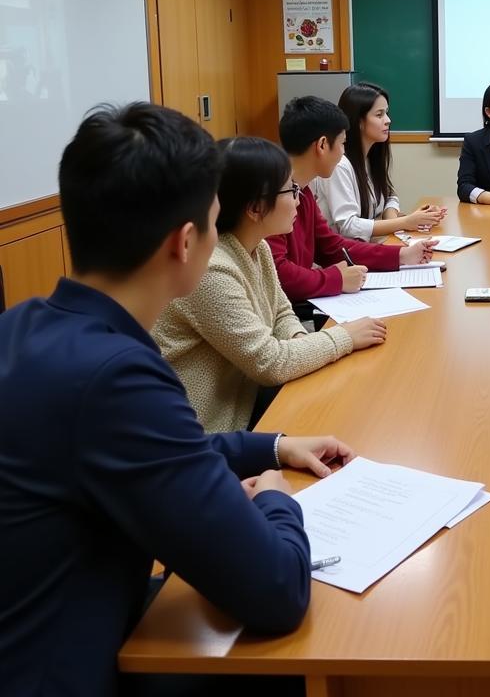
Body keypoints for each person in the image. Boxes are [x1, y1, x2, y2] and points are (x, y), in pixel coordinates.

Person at [0, 102, 355, 697]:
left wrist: (271, 447)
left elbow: (158, 449)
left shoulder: (26, 327)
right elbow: (276, 590)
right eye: (215, 225)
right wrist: (274, 500)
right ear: (185, 242)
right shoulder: (118, 377)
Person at [154, 137, 387, 433]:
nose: (299, 199)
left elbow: (281, 312)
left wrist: (302, 340)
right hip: (211, 433)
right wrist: (343, 337)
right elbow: (269, 362)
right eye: (291, 190)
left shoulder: (257, 247)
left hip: (247, 400)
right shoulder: (212, 271)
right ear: (254, 208)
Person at [269, 95, 436, 304]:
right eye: (342, 144)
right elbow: (277, 274)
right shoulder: (274, 195)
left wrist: (402, 255)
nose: (343, 152)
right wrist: (336, 279)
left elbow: (331, 246)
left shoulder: (303, 191)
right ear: (322, 145)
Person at [313, 82, 446, 239]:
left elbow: (389, 195)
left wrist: (397, 219)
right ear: (359, 121)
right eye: (379, 114)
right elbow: (348, 226)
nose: (388, 120)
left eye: (387, 113)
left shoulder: (370, 157)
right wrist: (405, 222)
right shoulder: (339, 165)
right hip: (345, 257)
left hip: (367, 247)